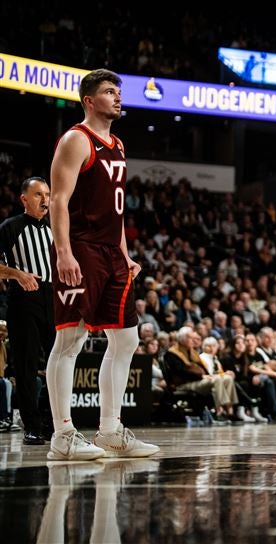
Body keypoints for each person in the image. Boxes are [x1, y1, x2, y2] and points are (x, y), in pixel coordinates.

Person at [45, 69, 158, 461]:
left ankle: (110, 430)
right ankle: (63, 435)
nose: (118, 97)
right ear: (89, 100)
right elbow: (58, 201)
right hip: (81, 248)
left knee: (126, 338)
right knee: (70, 339)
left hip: (111, 252)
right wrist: (63, 252)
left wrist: (125, 253)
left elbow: (118, 210)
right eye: (110, 92)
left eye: (118, 91)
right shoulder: (77, 139)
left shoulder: (119, 144)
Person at [0, 177, 48, 443]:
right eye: (38, 194)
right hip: (24, 298)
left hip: (55, 298)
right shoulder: (10, 227)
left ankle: (58, 423)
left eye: (48, 195)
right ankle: (33, 425)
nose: (45, 200)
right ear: (24, 199)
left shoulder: (57, 227)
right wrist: (16, 273)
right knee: (26, 364)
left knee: (59, 362)